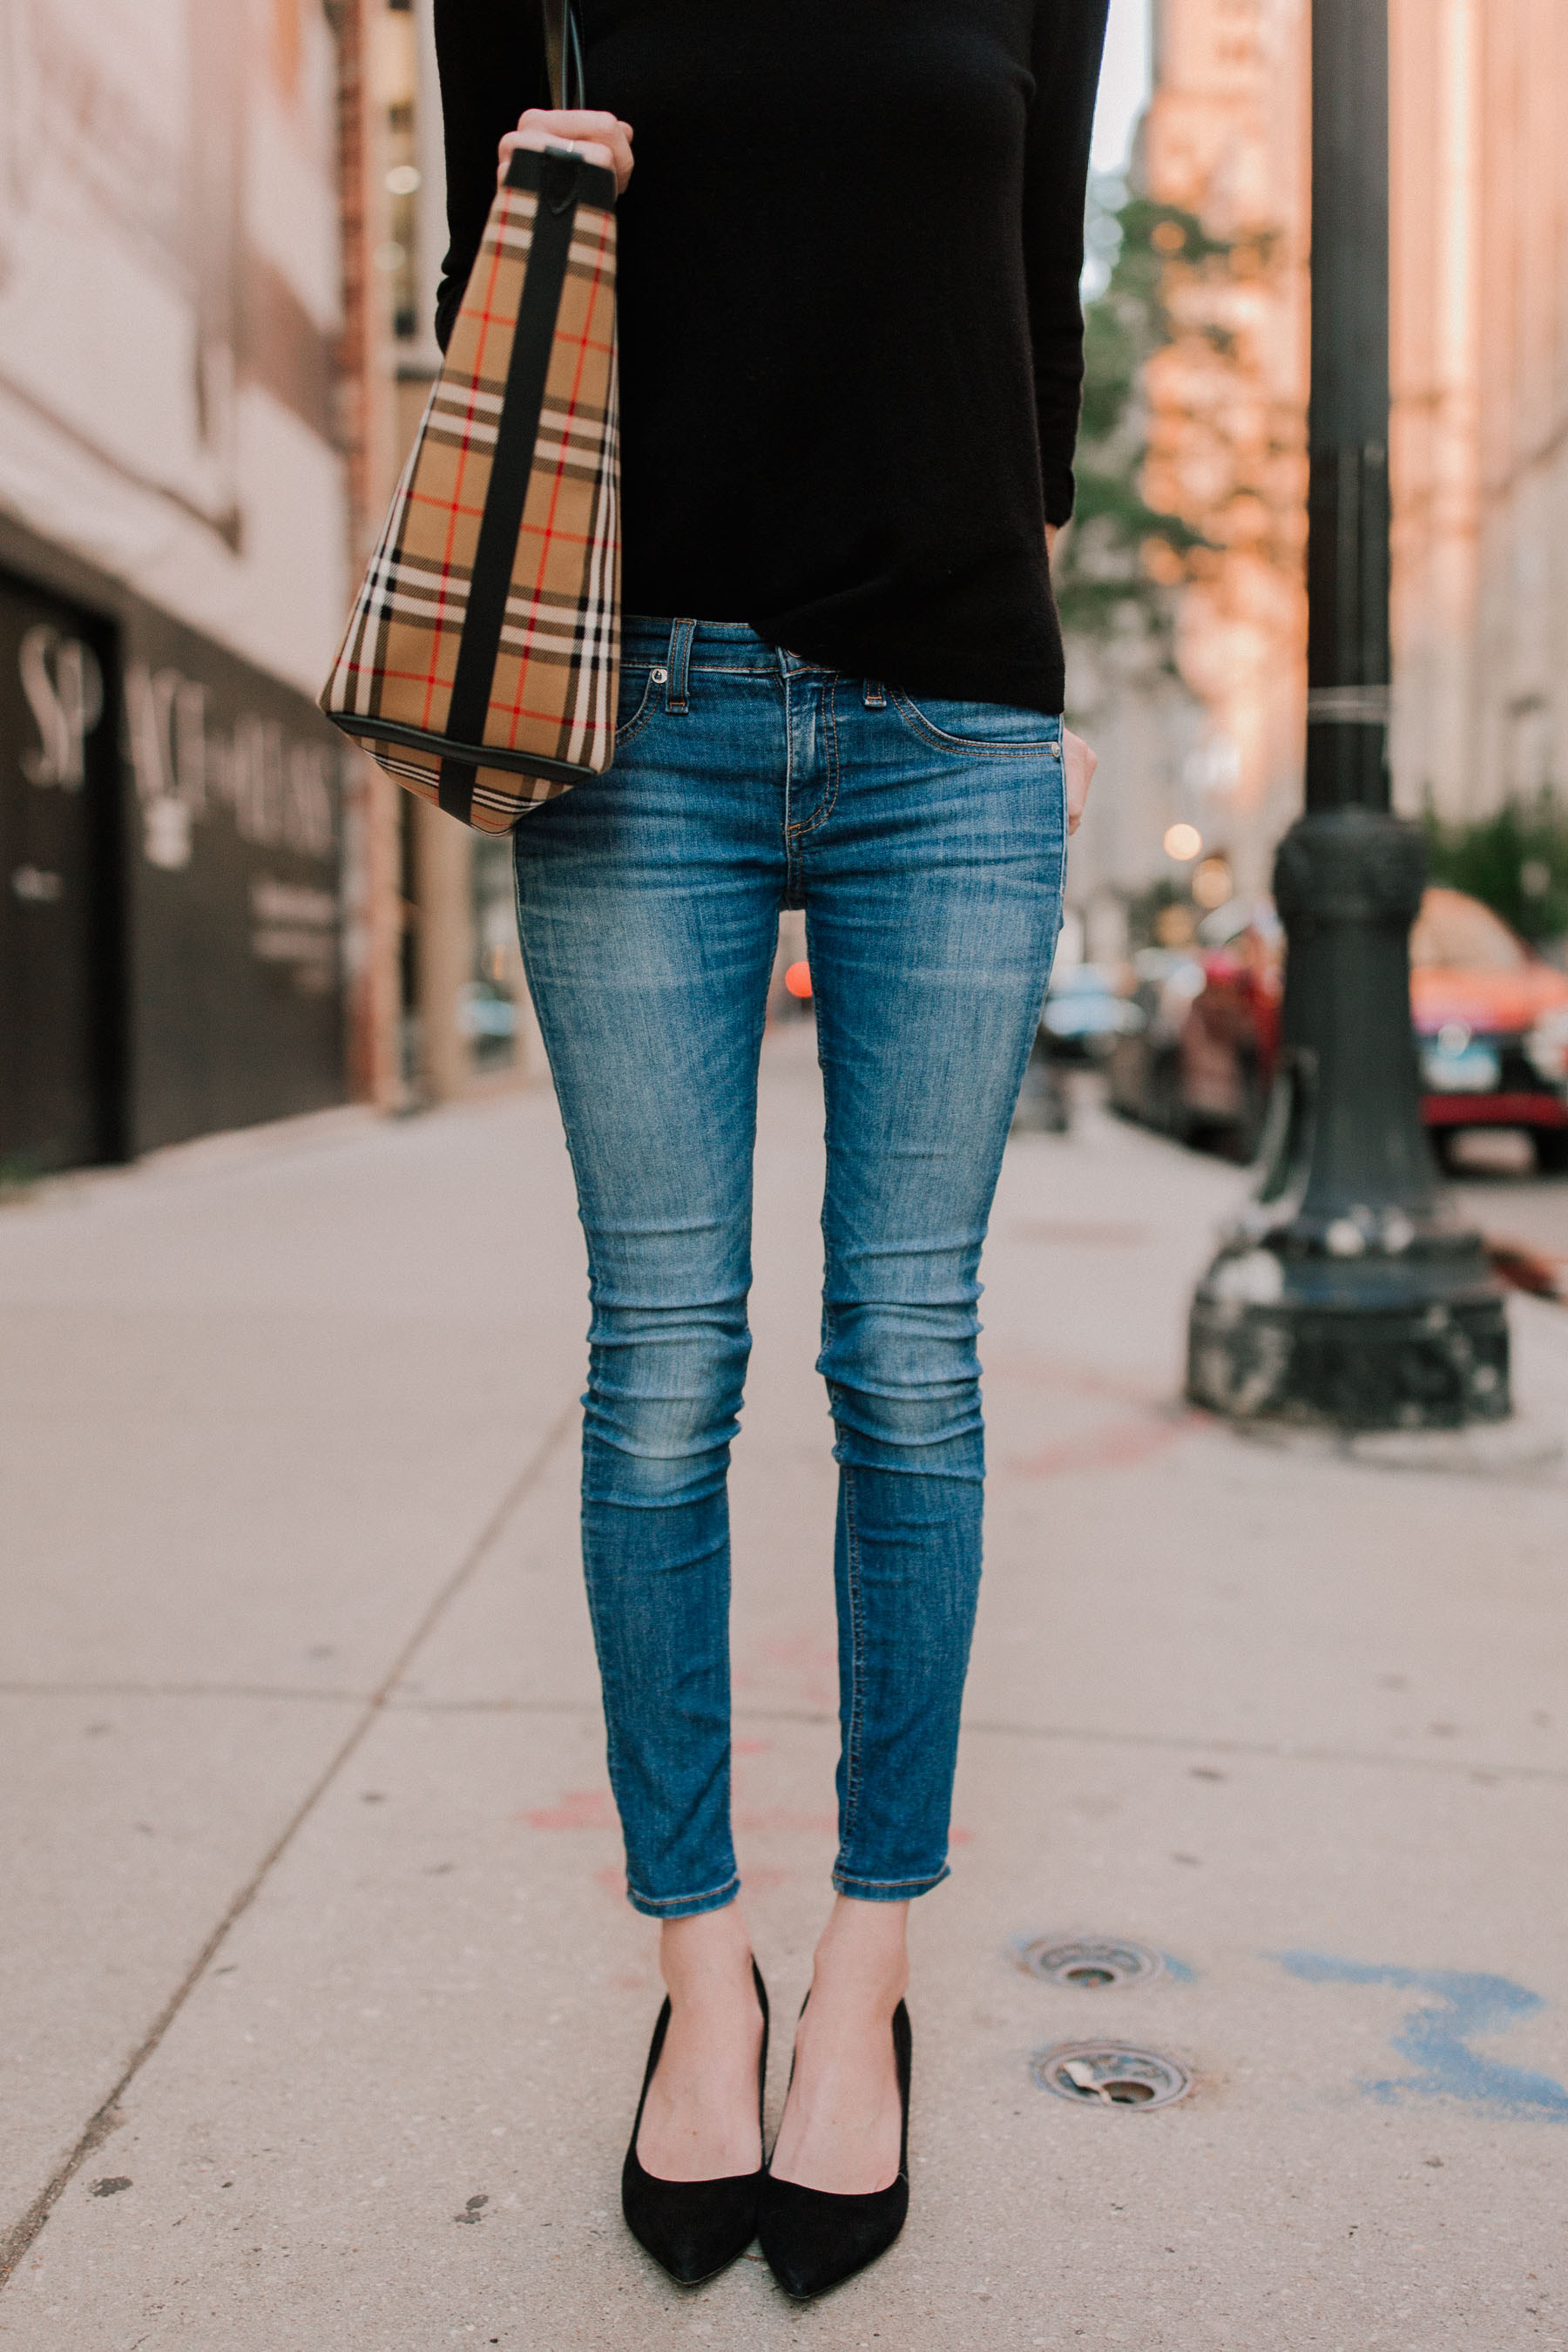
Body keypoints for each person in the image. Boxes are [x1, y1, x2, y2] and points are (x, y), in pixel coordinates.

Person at [432, 0, 1107, 2301]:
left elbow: (1042, 303)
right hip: (636, 723)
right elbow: (485, 303)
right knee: (661, 1371)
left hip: (954, 732)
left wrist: (1041, 674)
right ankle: (699, 1967)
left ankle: (866, 1967)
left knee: (907, 1357)